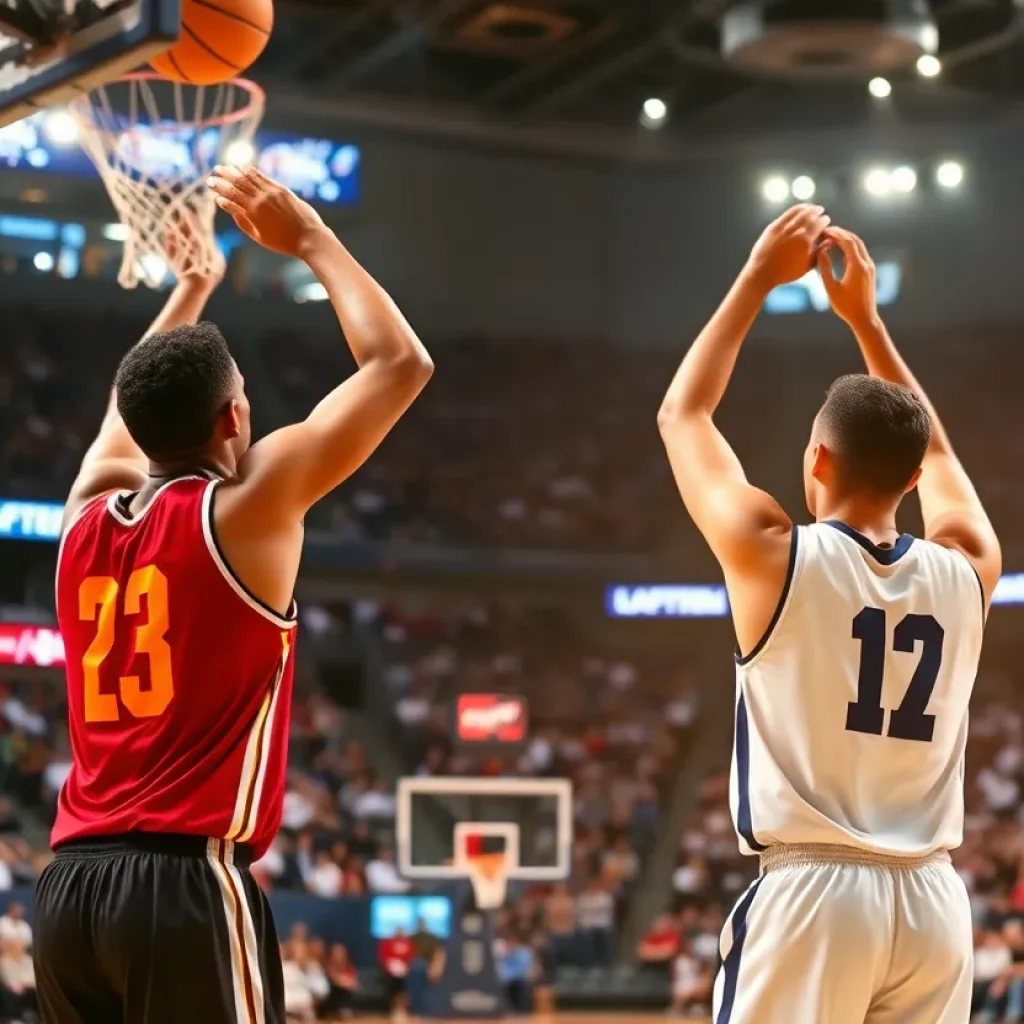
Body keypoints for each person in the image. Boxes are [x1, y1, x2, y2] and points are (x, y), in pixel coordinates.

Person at [32, 167, 434, 1024]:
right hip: (179, 883)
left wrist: (194, 285)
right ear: (233, 420)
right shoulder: (247, 510)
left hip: (68, 890)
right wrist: (310, 237)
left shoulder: (83, 512)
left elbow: (122, 409)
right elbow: (401, 363)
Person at [657, 205, 1001, 1023]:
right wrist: (868, 324)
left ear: (816, 459)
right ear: (912, 481)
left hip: (814, 893)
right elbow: (941, 452)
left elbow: (683, 415)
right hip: (934, 903)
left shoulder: (772, 550)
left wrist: (756, 278)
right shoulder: (968, 566)